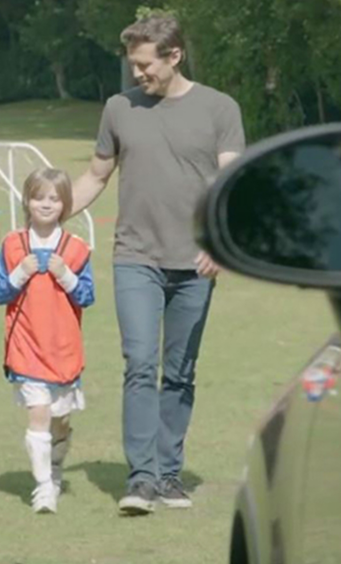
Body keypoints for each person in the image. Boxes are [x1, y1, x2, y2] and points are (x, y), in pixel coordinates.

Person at [70, 13, 245, 515]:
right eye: (133, 65)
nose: (138, 74)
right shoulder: (118, 107)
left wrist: (219, 242)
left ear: (174, 56)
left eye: (146, 65)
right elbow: (95, 177)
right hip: (135, 258)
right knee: (140, 362)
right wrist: (50, 215)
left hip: (195, 263)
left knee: (181, 371)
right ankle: (142, 479)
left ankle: (169, 475)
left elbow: (229, 187)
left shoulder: (219, 109)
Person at [0, 168, 95, 514]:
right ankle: (44, 488)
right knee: (38, 413)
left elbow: (87, 296)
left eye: (53, 198)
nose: (45, 204)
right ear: (27, 201)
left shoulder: (77, 249)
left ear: (65, 204)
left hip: (63, 350)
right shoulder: (12, 244)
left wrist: (65, 275)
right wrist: (20, 272)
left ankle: (56, 463)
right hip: (26, 347)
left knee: (59, 420)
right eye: (39, 197)